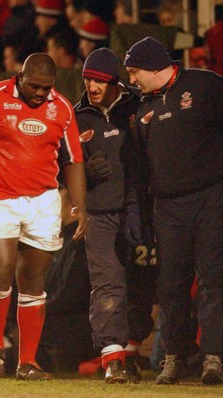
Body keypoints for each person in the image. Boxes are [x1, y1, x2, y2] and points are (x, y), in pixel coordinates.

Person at [124, 36, 223, 385]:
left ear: (154, 65)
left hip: (211, 196)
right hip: (167, 204)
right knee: (170, 282)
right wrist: (141, 212)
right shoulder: (140, 107)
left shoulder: (207, 85)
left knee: (213, 277)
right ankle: (174, 357)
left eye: (135, 71)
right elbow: (139, 166)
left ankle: (213, 357)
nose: (132, 79)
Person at [0, 52, 87, 381]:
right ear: (19, 76)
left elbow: (73, 161)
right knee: (0, 273)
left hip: (42, 200)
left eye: (48, 88)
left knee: (34, 282)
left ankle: (27, 362)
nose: (42, 93)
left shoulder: (63, 108)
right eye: (36, 86)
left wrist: (80, 206)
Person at [74, 47, 154, 384]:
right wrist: (84, 174)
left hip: (143, 210)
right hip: (100, 215)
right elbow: (59, 168)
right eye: (88, 79)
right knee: (108, 285)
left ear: (115, 82)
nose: (92, 86)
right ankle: (113, 358)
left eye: (100, 80)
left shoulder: (140, 104)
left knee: (143, 285)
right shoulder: (76, 117)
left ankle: (131, 349)